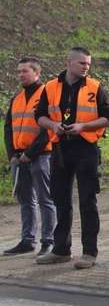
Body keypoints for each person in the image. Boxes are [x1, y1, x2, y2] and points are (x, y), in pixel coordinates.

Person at [35, 47, 109, 269]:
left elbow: (108, 118)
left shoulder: (95, 87)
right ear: (69, 62)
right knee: (60, 198)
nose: (86, 67)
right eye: (82, 63)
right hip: (60, 147)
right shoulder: (50, 87)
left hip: (86, 147)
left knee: (88, 199)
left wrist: (83, 126)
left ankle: (89, 252)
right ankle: (61, 249)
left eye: (88, 64)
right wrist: (53, 125)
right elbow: (39, 116)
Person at [3, 57, 55, 257]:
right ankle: (27, 240)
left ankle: (48, 241)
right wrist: (13, 156)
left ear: (37, 73)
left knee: (46, 200)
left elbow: (47, 129)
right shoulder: (16, 97)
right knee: (26, 201)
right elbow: (9, 127)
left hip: (41, 156)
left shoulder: (47, 94)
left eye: (25, 71)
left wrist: (30, 153)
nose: (20, 75)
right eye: (18, 72)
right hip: (19, 158)